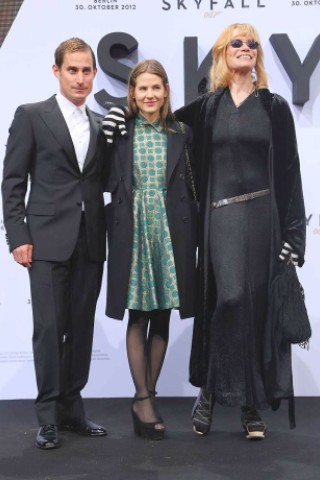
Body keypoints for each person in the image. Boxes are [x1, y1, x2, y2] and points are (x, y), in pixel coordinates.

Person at [102, 23, 306, 440]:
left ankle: (249, 405)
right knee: (226, 300)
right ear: (221, 53)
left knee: (255, 308)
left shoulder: (275, 107)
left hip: (263, 218)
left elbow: (291, 172)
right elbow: (157, 118)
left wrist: (294, 235)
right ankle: (211, 390)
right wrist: (118, 113)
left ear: (257, 57)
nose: (245, 48)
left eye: (252, 44)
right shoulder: (207, 107)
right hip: (219, 218)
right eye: (237, 42)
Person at [1, 38, 108, 449]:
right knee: (49, 329)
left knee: (80, 329)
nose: (80, 78)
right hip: (44, 241)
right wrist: (18, 236)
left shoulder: (99, 123)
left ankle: (71, 410)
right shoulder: (31, 115)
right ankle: (47, 416)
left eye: (86, 70)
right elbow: (13, 182)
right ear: (56, 71)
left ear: (94, 73)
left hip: (90, 241)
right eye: (72, 70)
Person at [103, 59, 198, 440]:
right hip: (133, 229)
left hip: (172, 229)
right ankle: (142, 398)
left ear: (166, 91)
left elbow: (192, 183)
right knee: (138, 314)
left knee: (162, 315)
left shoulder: (182, 133)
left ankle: (148, 396)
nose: (149, 95)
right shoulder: (119, 131)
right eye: (142, 88)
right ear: (132, 93)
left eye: (156, 88)